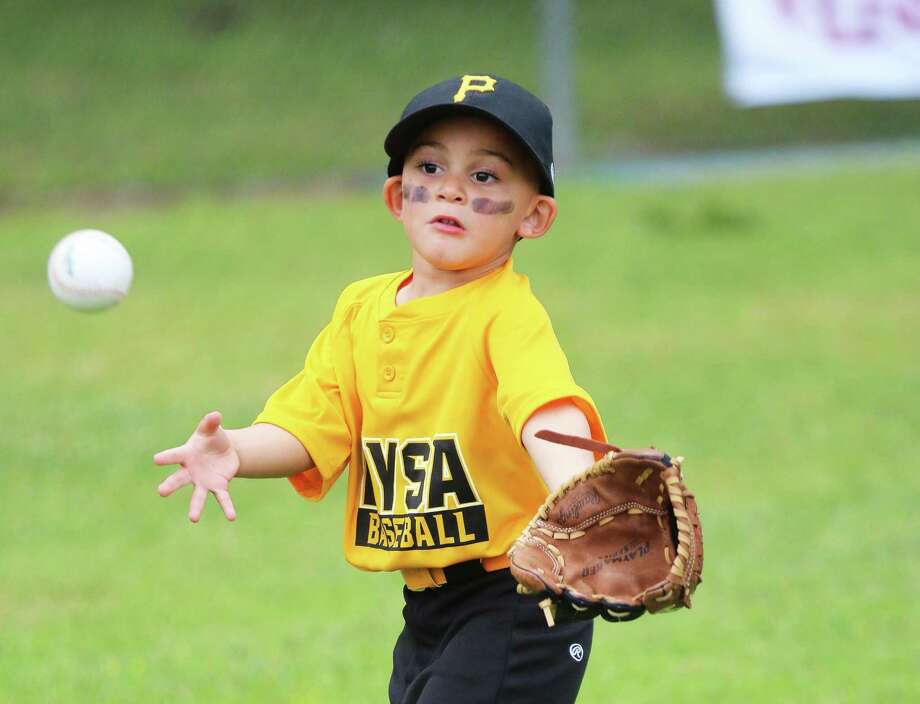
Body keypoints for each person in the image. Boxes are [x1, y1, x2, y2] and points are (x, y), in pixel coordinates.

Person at [153, 74, 608, 704]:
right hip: (427, 607)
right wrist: (234, 449)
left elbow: (544, 410)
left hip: (520, 599)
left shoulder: (505, 314)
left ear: (535, 215)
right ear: (399, 196)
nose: (451, 187)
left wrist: (581, 499)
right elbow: (313, 424)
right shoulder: (361, 310)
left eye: (485, 177)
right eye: (430, 166)